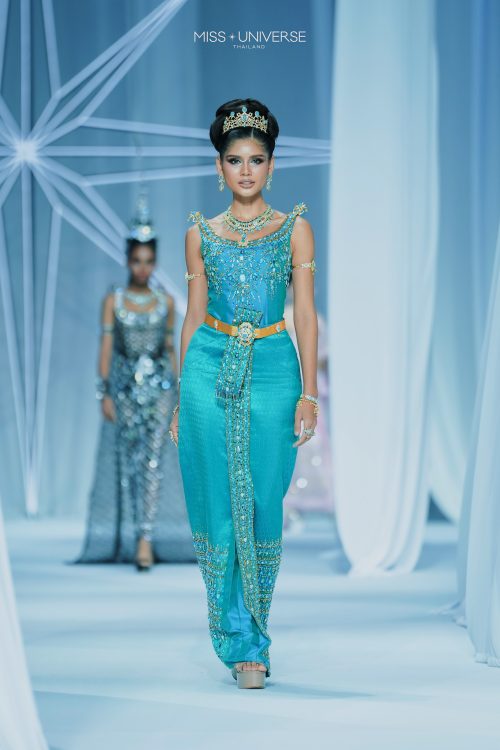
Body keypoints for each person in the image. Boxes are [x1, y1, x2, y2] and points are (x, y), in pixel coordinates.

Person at [168, 99, 319, 688]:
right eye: (235, 160)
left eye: (257, 160)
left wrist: (310, 394)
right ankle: (243, 643)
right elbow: (192, 316)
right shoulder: (199, 234)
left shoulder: (295, 229)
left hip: (275, 369)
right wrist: (182, 394)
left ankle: (253, 622)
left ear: (272, 165)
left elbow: (304, 314)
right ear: (219, 167)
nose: (246, 171)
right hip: (210, 367)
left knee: (261, 501)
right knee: (218, 502)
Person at [75, 193, 195, 571]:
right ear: (128, 260)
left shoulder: (164, 302)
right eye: (137, 260)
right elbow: (106, 347)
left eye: (148, 261)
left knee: (154, 461)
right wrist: (104, 392)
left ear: (155, 262)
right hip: (125, 392)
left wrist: (179, 393)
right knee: (131, 462)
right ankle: (135, 533)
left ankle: (146, 538)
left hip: (160, 392)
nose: (143, 268)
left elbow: (169, 349)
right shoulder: (114, 300)